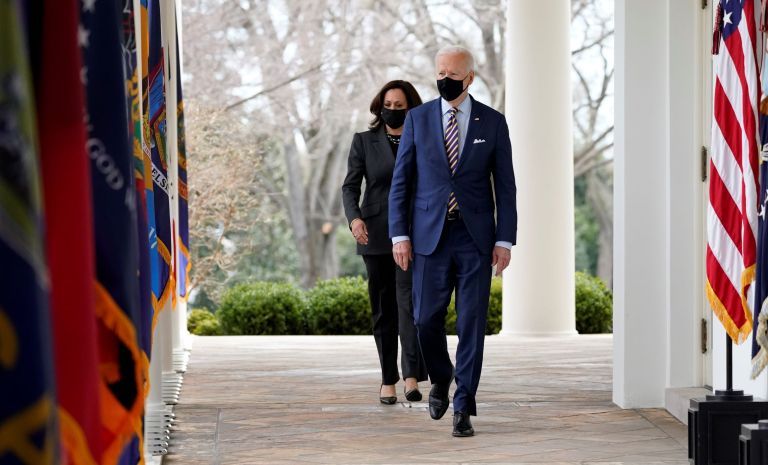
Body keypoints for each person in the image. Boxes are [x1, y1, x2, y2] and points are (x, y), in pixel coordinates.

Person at [388, 45, 517, 437]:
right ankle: (442, 378)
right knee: (424, 318)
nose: (445, 80)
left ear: (470, 78)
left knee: (472, 323)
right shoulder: (418, 119)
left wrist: (505, 240)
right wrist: (399, 234)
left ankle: (463, 407)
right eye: (440, 73)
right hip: (429, 237)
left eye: (453, 75)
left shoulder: (492, 122)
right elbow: (401, 182)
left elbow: (506, 186)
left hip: (475, 238)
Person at [342, 80, 428, 405]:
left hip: (415, 232)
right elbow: (350, 187)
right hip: (375, 233)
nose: (393, 110)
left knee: (409, 305)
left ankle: (411, 376)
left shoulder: (424, 139)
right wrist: (354, 219)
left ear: (411, 108)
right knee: (383, 309)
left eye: (399, 106)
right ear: (380, 107)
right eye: (388, 105)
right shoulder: (363, 141)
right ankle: (387, 379)